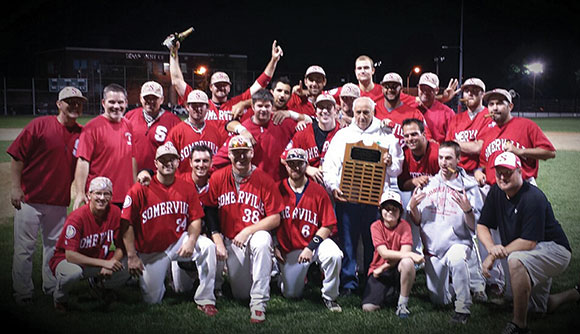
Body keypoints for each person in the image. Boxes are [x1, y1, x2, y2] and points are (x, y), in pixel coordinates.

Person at [477, 152, 572, 334]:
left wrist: (493, 255)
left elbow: (528, 242)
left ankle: (519, 326)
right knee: (537, 309)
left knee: (516, 260)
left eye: (508, 172)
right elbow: (482, 225)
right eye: (499, 172)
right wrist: (491, 248)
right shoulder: (496, 191)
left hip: (554, 250)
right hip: (534, 250)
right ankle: (575, 293)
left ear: (520, 171)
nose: (503, 176)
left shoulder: (533, 197)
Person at [8, 86, 85, 305]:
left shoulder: (81, 133)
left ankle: (51, 287)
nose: (74, 105)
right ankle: (22, 293)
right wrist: (15, 187)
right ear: (59, 104)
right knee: (24, 249)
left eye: (78, 101)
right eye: (69, 101)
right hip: (30, 199)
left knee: (54, 247)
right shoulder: (40, 125)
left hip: (58, 201)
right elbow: (16, 156)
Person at [121, 143, 218, 316]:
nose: (168, 163)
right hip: (151, 250)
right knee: (152, 299)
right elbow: (126, 223)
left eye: (172, 159)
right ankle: (162, 277)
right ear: (155, 163)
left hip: (177, 240)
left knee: (208, 246)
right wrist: (132, 256)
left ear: (178, 162)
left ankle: (206, 299)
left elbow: (196, 218)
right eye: (163, 160)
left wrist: (191, 241)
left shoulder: (186, 188)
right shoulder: (140, 189)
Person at [323, 96, 403, 295]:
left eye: (366, 112)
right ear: (352, 112)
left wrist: (391, 162)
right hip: (348, 198)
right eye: (357, 112)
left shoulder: (387, 136)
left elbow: (397, 170)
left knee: (373, 243)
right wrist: (333, 187)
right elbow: (330, 166)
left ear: (373, 112)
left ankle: (371, 280)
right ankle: (349, 283)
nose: (361, 116)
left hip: (375, 200)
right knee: (348, 242)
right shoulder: (342, 136)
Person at [205, 135, 284, 323]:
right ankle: (264, 273)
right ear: (229, 156)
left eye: (244, 152)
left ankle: (259, 303)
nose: (241, 157)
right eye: (235, 153)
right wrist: (217, 240)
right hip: (231, 241)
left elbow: (275, 217)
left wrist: (248, 230)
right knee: (240, 294)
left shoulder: (264, 179)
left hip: (253, 236)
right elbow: (209, 210)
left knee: (263, 239)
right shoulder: (218, 177)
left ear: (252, 153)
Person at [407, 141, 484, 324]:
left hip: (457, 243)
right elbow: (418, 221)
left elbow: (475, 228)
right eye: (441, 157)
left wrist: (467, 210)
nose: (443, 162)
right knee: (439, 300)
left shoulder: (469, 187)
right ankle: (461, 283)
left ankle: (463, 308)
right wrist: (413, 207)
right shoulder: (429, 184)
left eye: (449, 158)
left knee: (457, 259)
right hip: (434, 249)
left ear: (458, 159)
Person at [169, 39, 283, 137]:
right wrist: (173, 52)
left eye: (224, 85)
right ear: (210, 87)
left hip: (228, 156)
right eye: (217, 85)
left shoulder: (238, 102)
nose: (221, 88)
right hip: (204, 153)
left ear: (229, 87)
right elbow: (177, 81)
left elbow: (262, 82)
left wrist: (273, 61)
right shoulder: (199, 102)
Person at [275, 148, 343, 312]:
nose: (295, 168)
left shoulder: (318, 191)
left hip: (313, 245)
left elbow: (327, 225)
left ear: (306, 165)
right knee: (291, 294)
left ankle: (330, 297)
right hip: (289, 249)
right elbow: (268, 220)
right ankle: (282, 276)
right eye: (291, 164)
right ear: (286, 166)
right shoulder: (277, 189)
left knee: (334, 254)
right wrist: (275, 244)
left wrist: (310, 247)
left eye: (300, 164)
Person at [50, 177, 129, 311]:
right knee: (72, 273)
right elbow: (70, 256)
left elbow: (121, 247)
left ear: (111, 197)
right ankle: (60, 298)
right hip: (68, 261)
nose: (102, 198)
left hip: (96, 259)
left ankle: (99, 287)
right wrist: (104, 264)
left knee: (129, 263)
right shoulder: (77, 218)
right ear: (89, 195)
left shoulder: (114, 212)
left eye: (106, 194)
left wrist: (112, 262)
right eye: (98, 193)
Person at [73, 83, 136, 209]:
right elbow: (83, 161)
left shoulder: (128, 125)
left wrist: (134, 188)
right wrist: (80, 192)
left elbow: (132, 158)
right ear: (103, 103)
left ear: (126, 103)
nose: (116, 106)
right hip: (101, 195)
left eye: (120, 102)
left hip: (125, 195)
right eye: (111, 102)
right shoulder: (92, 127)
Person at [475, 88, 556, 187]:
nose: (494, 108)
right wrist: (478, 171)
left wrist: (520, 151)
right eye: (491, 104)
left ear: (510, 106)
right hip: (495, 189)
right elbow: (484, 163)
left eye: (500, 103)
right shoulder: (486, 131)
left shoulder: (526, 125)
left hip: (523, 187)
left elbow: (550, 152)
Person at [361, 191, 424, 318]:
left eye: (394, 209)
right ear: (380, 210)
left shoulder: (405, 226)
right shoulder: (375, 226)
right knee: (368, 307)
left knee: (407, 262)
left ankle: (402, 305)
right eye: (387, 208)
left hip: (397, 268)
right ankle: (392, 293)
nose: (390, 212)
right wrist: (411, 255)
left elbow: (404, 254)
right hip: (379, 270)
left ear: (400, 211)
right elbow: (384, 253)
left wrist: (384, 267)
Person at [213, 89, 298, 181]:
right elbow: (219, 160)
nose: (263, 110)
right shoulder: (244, 130)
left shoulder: (284, 123)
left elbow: (309, 125)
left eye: (267, 106)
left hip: (280, 186)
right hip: (254, 187)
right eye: (260, 106)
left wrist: (298, 120)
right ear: (253, 107)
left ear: (272, 107)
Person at [396, 118, 440, 255]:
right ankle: (413, 253)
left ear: (424, 134)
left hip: (440, 196)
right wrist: (414, 181)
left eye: (414, 134)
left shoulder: (437, 153)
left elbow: (450, 180)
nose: (410, 139)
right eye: (407, 136)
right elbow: (402, 185)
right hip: (416, 195)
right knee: (407, 206)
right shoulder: (404, 154)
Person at [283, 93, 340, 184]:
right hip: (309, 186)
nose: (324, 111)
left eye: (328, 107)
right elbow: (284, 157)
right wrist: (306, 168)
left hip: (335, 185)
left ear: (335, 111)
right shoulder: (303, 132)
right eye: (321, 107)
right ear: (315, 111)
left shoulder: (343, 133)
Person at [124, 81, 182, 171]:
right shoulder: (129, 117)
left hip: (161, 176)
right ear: (140, 98)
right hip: (133, 174)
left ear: (162, 99)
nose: (150, 101)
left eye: (154, 98)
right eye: (147, 98)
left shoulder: (173, 121)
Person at [165, 89, 225, 174]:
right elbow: (168, 159)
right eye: (194, 106)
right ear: (187, 107)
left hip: (210, 182)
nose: (198, 109)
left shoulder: (215, 131)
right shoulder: (176, 132)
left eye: (201, 105)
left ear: (207, 108)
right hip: (184, 182)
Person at [445, 78, 493, 174]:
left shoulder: (489, 116)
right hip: (456, 172)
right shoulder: (456, 119)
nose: (470, 94)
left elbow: (479, 148)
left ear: (483, 94)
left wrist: (455, 143)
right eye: (467, 91)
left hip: (479, 173)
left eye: (475, 91)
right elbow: (448, 148)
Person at [374, 72, 433, 147]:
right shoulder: (373, 110)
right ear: (382, 89)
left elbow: (427, 139)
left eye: (394, 86)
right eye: (386, 86)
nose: (390, 89)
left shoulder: (414, 113)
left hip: (405, 156)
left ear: (401, 89)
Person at [416, 72, 456, 143]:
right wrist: (442, 98)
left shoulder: (447, 113)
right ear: (418, 88)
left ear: (436, 90)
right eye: (422, 88)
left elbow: (451, 141)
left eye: (429, 89)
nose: (425, 91)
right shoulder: (411, 108)